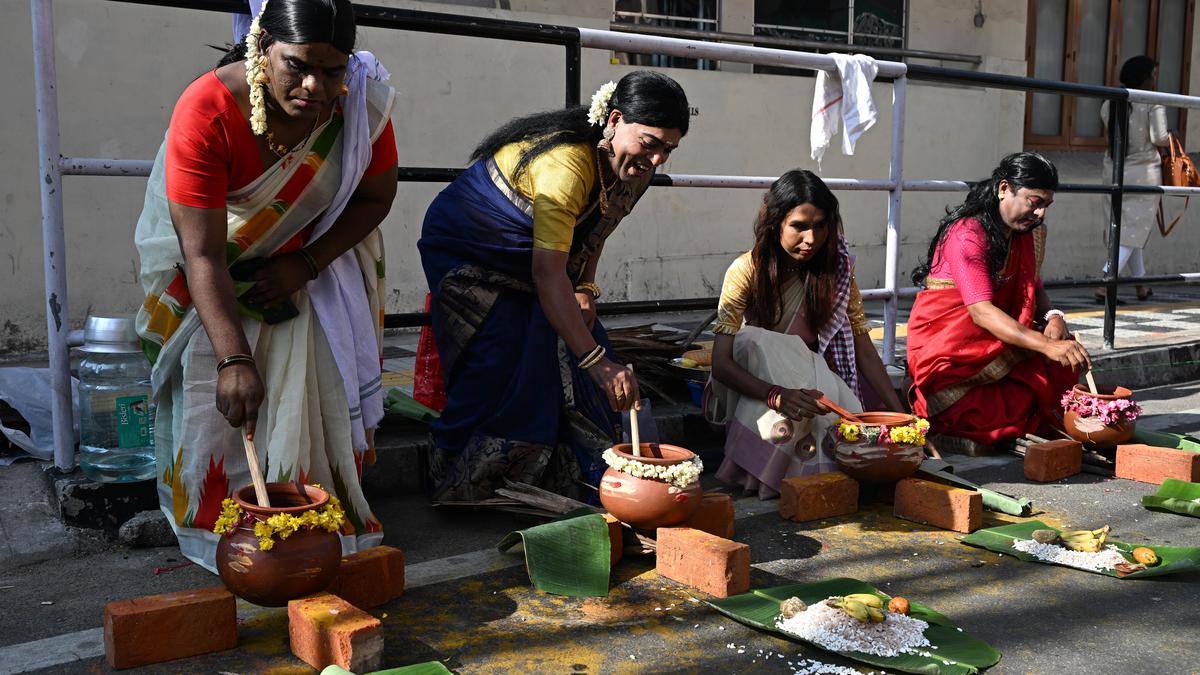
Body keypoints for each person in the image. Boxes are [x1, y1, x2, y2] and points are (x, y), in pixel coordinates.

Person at [134, 0, 398, 571]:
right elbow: (201, 251)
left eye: (332, 71)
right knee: (216, 397)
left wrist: (306, 265)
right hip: (213, 272)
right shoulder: (206, 109)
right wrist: (233, 357)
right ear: (262, 50)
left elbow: (376, 198)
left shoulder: (360, 105)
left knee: (313, 395)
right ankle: (220, 535)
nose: (314, 88)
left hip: (312, 268)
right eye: (296, 66)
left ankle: (311, 523)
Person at [418, 71, 690, 502]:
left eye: (668, 150)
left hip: (545, 265)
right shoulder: (565, 164)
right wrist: (597, 362)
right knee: (503, 358)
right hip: (473, 253)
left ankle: (561, 482)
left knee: (575, 349)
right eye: (650, 143)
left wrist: (585, 288)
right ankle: (466, 486)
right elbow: (548, 275)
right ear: (615, 120)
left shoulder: (634, 169)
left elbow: (597, 229)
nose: (656, 160)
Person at [706, 170, 905, 498]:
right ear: (775, 224)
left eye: (820, 226)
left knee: (838, 419)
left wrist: (898, 412)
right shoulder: (746, 270)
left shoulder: (835, 272)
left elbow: (862, 346)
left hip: (811, 381)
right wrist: (777, 395)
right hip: (757, 379)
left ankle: (816, 488)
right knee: (757, 340)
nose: (811, 239)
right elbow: (722, 364)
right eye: (799, 226)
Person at [908, 152, 1087, 453]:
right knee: (986, 411)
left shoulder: (1026, 233)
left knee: (1062, 367)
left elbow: (1033, 286)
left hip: (997, 344)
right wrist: (1045, 345)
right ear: (1004, 188)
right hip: (950, 352)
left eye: (1046, 205)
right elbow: (981, 312)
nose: (1041, 213)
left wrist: (1054, 317)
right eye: (1035, 202)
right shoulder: (968, 233)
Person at [1096, 56, 1170, 304]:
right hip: (1143, 173)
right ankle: (1105, 283)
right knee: (1132, 231)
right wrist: (1173, 136)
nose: (1155, 80)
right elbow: (1159, 138)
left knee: (1126, 229)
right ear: (1145, 78)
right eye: (1153, 75)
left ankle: (1141, 284)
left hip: (1113, 170)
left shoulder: (1110, 99)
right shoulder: (1152, 101)